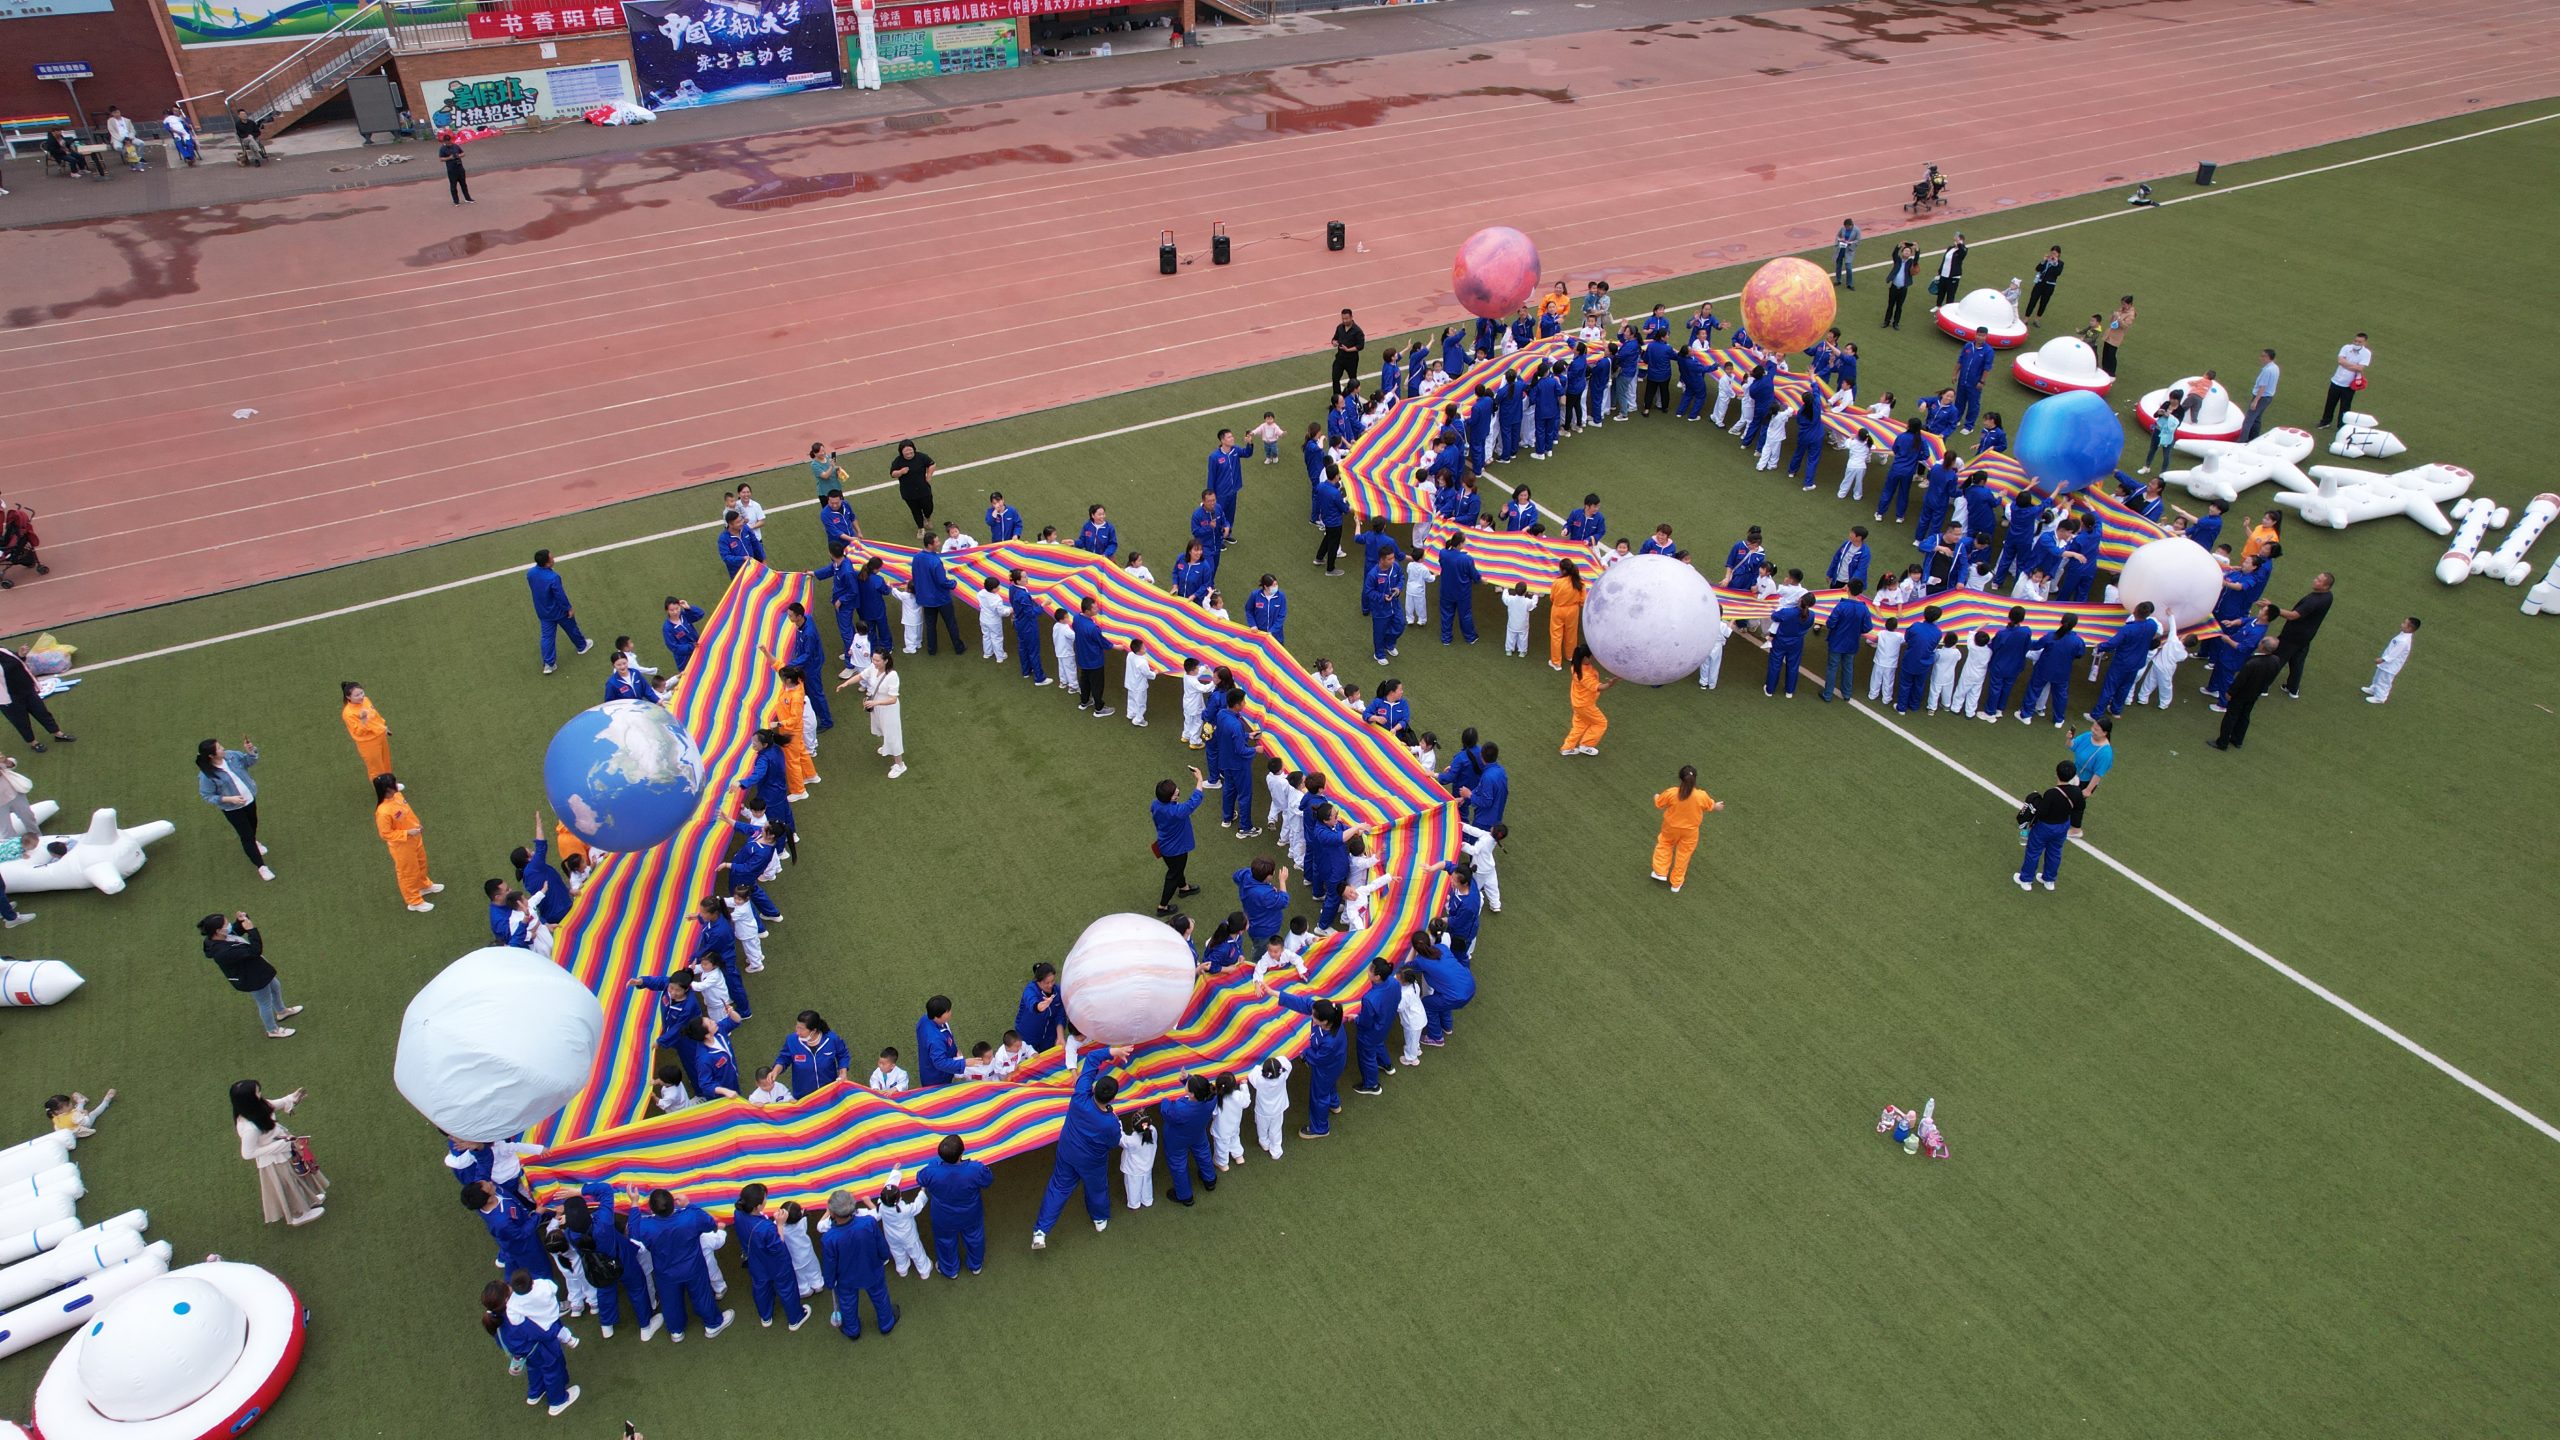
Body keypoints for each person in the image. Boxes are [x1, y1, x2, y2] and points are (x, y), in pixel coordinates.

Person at [1031, 1045, 1133, 1249]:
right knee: (1097, 1189)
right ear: (1112, 1099)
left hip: (1067, 1151)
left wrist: (1114, 1051)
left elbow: (1093, 1058)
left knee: (1058, 1188)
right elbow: (1114, 1143)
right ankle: (1099, 1219)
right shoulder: (1110, 1122)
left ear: (1094, 1088)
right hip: (1091, 1162)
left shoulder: (1080, 1096)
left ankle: (1040, 1232)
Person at [626, 1188, 731, 1340]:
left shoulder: (646, 1226)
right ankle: (713, 1324)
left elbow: (633, 1231)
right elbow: (709, 1223)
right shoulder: (689, 1217)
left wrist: (634, 1203)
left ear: (651, 1209)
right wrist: (689, 1204)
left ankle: (676, 1331)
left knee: (670, 1301)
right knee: (702, 1295)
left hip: (666, 1272)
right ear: (673, 1203)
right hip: (693, 1268)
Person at [232, 1079, 325, 1225]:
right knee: (288, 1182)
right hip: (273, 1158)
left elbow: (274, 1104)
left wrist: (290, 1099)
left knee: (297, 1173)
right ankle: (298, 1214)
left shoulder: (257, 1106)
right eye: (257, 1092)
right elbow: (247, 1153)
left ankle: (308, 1199)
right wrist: (279, 1145)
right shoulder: (249, 1128)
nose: (260, 1094)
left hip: (282, 1147)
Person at [819, 1190, 896, 1337]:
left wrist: (829, 1282)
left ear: (833, 1213)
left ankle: (852, 1330)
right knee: (880, 1295)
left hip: (846, 1278)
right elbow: (881, 1244)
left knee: (847, 1303)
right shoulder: (868, 1222)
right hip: (871, 1269)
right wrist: (884, 1256)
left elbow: (829, 1264)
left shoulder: (829, 1238)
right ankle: (887, 1323)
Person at [195, 738, 273, 880]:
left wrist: (250, 751)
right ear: (211, 756)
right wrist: (229, 799)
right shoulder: (206, 776)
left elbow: (249, 762)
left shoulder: (232, 756)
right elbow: (207, 796)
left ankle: (255, 841)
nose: (223, 748)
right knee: (246, 836)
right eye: (219, 748)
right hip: (233, 809)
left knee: (253, 824)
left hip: (249, 798)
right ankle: (262, 867)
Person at [1648, 765, 1725, 893]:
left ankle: (1660, 872)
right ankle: (1676, 883)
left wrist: (1656, 796)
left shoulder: (1672, 793)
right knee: (1684, 854)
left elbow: (1659, 803)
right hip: (1690, 831)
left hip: (1671, 827)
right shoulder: (1701, 796)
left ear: (1680, 778)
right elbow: (1710, 805)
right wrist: (1717, 806)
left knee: (1665, 844)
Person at [372, 773, 440, 913]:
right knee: (408, 873)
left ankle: (423, 886)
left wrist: (416, 826)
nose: (397, 785)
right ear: (387, 789)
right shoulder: (383, 812)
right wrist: (408, 833)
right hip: (402, 846)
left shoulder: (397, 796)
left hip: (415, 838)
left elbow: (407, 813)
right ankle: (414, 901)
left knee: (421, 863)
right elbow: (385, 834)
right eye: (393, 784)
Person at [2208, 637, 2285, 751]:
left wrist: (2230, 692)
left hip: (2241, 694)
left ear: (2262, 646)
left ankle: (2222, 742)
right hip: (2254, 693)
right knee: (2244, 716)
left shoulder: (2253, 663)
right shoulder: (2275, 660)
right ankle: (2237, 739)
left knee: (2231, 717)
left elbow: (2240, 680)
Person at [524, 550, 591, 674]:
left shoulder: (531, 573)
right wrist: (568, 608)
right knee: (572, 628)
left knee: (547, 637)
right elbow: (560, 596)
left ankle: (549, 664)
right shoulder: (553, 578)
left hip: (543, 612)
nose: (553, 558)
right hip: (558, 611)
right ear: (547, 563)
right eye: (551, 557)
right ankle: (582, 646)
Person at [2015, 762, 2076, 892]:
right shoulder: (2076, 792)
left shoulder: (2051, 793)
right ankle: (2049, 880)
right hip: (2063, 825)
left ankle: (2026, 880)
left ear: (2057, 773)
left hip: (2045, 826)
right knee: (2055, 852)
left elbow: (2042, 812)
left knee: (2034, 851)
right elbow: (2079, 807)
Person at [0, 646, 74, 752]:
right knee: (21, 722)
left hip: (27, 689)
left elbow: (17, 661)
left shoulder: (3, 650)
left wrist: (20, 655)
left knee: (42, 712)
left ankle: (58, 734)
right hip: (9, 699)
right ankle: (33, 743)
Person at [2272, 571, 2334, 697]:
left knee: (2277, 658)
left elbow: (2293, 615)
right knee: (2297, 661)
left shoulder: (2313, 601)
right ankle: (2293, 688)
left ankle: (2262, 686)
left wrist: (2274, 609)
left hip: (2294, 635)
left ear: (2325, 586)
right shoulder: (2329, 596)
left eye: (2319, 580)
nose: (2315, 580)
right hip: (2307, 636)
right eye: (2317, 577)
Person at [848, 650, 905, 780]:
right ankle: (887, 746)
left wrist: (875, 702)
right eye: (873, 659)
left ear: (885, 661)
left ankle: (900, 764)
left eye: (877, 660)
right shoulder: (872, 668)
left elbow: (893, 699)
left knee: (893, 734)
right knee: (882, 728)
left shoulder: (892, 675)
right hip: (877, 705)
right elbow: (861, 676)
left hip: (888, 708)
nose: (874, 662)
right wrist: (845, 684)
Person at [1560, 644, 1616, 756]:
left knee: (1580, 725)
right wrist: (1610, 683)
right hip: (1585, 705)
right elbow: (1599, 687)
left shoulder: (1576, 667)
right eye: (1590, 656)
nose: (1592, 658)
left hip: (1578, 703)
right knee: (1601, 723)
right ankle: (1587, 745)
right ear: (1584, 658)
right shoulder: (1584, 675)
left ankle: (1567, 748)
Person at [337, 681, 393, 784]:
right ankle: (383, 792)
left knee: (386, 763)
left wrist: (384, 727)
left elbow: (376, 716)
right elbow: (358, 732)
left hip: (380, 736)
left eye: (362, 693)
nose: (361, 696)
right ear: (348, 697)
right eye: (357, 695)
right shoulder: (348, 713)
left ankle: (390, 784)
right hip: (368, 743)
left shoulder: (366, 700)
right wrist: (363, 720)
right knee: (376, 769)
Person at [2064, 718, 2112, 836]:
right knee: (2067, 799)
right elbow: (2071, 746)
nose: (2093, 730)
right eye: (2093, 727)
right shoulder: (2087, 736)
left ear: (2104, 733)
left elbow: (2098, 774)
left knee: (2076, 805)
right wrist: (2069, 739)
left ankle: (2076, 829)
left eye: (2096, 729)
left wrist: (2088, 790)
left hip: (2085, 782)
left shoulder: (2105, 752)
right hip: (2075, 775)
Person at [2319, 333, 2372, 428]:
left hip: (2349, 385)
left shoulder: (2366, 353)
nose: (2356, 343)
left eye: (2359, 342)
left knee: (2345, 407)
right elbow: (2340, 361)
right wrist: (2353, 366)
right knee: (2330, 403)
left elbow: (2360, 368)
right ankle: (2325, 422)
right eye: (2355, 341)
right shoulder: (2346, 348)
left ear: (2364, 342)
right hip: (2336, 380)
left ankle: (2341, 426)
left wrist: (2346, 363)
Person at [2362, 616, 2419, 704]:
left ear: (2409, 628)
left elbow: (2394, 654)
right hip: (2386, 664)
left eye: (2404, 623)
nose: (2402, 624)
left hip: (2390, 666)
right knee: (2378, 677)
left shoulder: (2404, 641)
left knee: (2384, 681)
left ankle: (2380, 697)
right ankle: (2374, 689)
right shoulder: (2403, 635)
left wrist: (2382, 659)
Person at [1547, 559, 1585, 670]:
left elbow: (1552, 598)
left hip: (1558, 610)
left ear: (1563, 570)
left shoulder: (1557, 582)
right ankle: (1570, 655)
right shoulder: (1580, 582)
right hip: (1573, 610)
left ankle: (1556, 662)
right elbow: (1583, 600)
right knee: (1571, 634)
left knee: (1556, 636)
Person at [890, 440, 937, 529]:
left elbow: (932, 464)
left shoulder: (921, 457)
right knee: (915, 511)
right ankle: (920, 528)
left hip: (924, 489)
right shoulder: (898, 461)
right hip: (908, 492)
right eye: (905, 451)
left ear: (914, 449)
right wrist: (900, 472)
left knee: (928, 507)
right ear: (901, 452)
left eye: (910, 449)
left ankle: (927, 518)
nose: (908, 452)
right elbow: (892, 473)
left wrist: (929, 475)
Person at [2240, 349, 2280, 440]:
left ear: (2269, 357)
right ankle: (2254, 438)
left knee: (2248, 421)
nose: (2261, 358)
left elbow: (2263, 387)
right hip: (2268, 397)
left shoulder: (2267, 370)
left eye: (2263, 356)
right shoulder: (2275, 368)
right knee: (2257, 419)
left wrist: (2255, 401)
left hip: (2261, 397)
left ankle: (2241, 442)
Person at [1328, 308, 1366, 395]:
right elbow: (1334, 338)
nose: (1344, 321)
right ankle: (1337, 399)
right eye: (1343, 319)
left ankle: (1354, 398)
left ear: (1351, 317)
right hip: (1340, 358)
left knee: (1353, 380)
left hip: (1351, 360)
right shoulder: (1340, 327)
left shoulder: (1357, 331)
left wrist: (1348, 350)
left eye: (1346, 318)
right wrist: (1334, 342)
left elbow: (1360, 346)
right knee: (1335, 378)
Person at [2023, 246, 2063, 321]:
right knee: (2032, 301)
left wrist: (2055, 263)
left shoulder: (2060, 263)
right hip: (2039, 284)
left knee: (2043, 303)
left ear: (2058, 254)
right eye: (2052, 252)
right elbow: (2037, 269)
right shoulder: (2047, 260)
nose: (2053, 254)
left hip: (2049, 286)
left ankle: (2037, 319)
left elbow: (2057, 273)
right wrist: (2043, 261)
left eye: (2055, 253)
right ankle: (2026, 319)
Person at [2099, 296, 2136, 376]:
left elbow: (2125, 326)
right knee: (2105, 354)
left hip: (2116, 337)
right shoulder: (2121, 309)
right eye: (2122, 303)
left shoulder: (2131, 315)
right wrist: (2114, 315)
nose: (2122, 305)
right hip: (2110, 334)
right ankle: (2104, 371)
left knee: (2111, 356)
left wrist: (2119, 318)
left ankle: (2111, 374)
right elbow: (2111, 321)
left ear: (2129, 304)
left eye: (2124, 304)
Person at [438, 132, 473, 203]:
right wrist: (449, 157)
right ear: (444, 141)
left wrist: (459, 155)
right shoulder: (442, 149)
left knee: (464, 184)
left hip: (460, 168)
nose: (449, 143)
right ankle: (456, 201)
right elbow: (441, 159)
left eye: (449, 141)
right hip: (451, 170)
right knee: (453, 186)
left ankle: (468, 198)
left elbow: (463, 153)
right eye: (447, 142)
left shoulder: (455, 146)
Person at [1831, 217, 1861, 287]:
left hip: (1849, 249)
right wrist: (1840, 239)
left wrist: (1850, 242)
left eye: (1847, 227)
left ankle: (1849, 284)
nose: (1846, 228)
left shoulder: (1857, 230)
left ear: (1851, 225)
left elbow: (1858, 241)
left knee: (1848, 267)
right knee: (1838, 265)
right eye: (1845, 226)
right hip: (1841, 248)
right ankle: (1838, 280)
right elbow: (1837, 236)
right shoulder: (1842, 228)